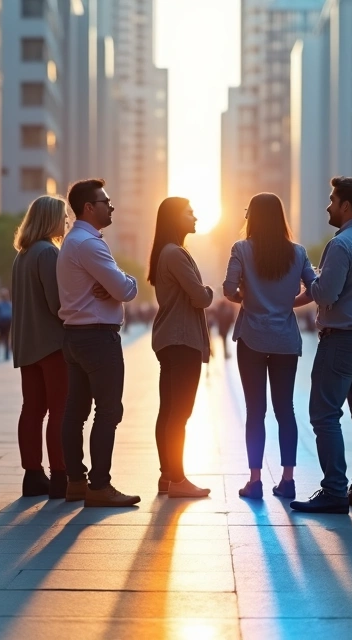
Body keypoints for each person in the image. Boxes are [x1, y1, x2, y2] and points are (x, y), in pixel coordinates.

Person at [290, 177, 352, 515]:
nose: (329, 206)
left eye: (333, 200)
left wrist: (310, 280)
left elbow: (326, 294)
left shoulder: (342, 244)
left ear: (346, 205)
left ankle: (334, 490)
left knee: (324, 414)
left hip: (343, 340)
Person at [223, 193, 315, 500]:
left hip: (251, 336)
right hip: (285, 339)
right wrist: (289, 302)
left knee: (255, 411)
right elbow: (314, 289)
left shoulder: (241, 249)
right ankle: (288, 479)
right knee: (285, 409)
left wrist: (248, 299)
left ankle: (255, 480)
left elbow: (227, 289)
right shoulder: (298, 252)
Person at [57, 178, 141, 507]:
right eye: (106, 202)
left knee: (75, 412)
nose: (112, 207)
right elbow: (126, 290)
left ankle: (76, 482)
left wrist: (115, 282)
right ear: (89, 208)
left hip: (75, 336)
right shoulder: (89, 244)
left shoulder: (72, 241)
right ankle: (99, 486)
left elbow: (115, 286)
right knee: (108, 411)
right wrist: (123, 282)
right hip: (97, 337)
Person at [148, 197, 214, 499]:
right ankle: (178, 479)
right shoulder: (175, 253)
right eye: (189, 212)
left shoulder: (169, 251)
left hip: (172, 339)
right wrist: (210, 290)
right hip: (181, 339)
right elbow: (200, 297)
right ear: (176, 218)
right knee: (180, 413)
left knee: (169, 410)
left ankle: (168, 477)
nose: (195, 216)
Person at [9, 195, 69, 499]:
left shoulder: (23, 254)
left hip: (26, 343)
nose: (67, 221)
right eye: (63, 216)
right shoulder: (48, 253)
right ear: (50, 219)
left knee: (32, 409)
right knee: (60, 409)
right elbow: (58, 303)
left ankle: (32, 475)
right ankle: (60, 475)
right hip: (52, 343)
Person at [0, 288, 13, 361]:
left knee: (1, 337)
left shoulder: (0, 304)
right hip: (5, 322)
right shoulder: (9, 304)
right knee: (5, 337)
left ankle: (0, 352)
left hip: (3, 322)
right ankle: (4, 353)